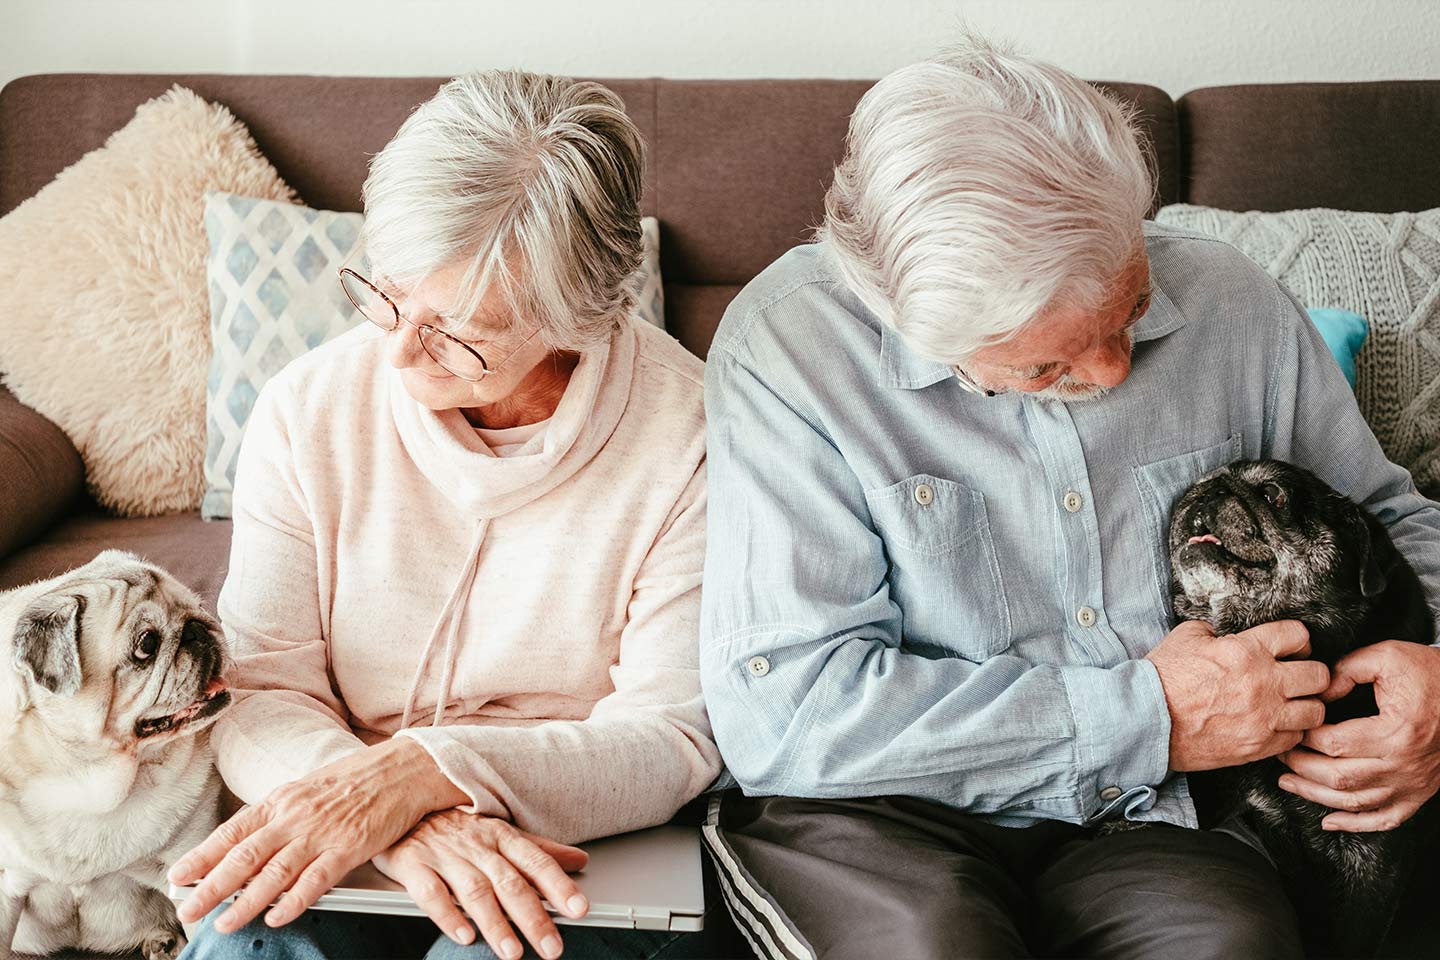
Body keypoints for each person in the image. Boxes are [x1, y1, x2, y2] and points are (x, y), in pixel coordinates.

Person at [697, 36, 1440, 959]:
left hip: (1155, 820)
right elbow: (791, 715)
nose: (1114, 369)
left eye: (1129, 310)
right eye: (1045, 366)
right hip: (880, 815)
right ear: (916, 323)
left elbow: (1393, 522)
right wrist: (1145, 716)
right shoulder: (790, 353)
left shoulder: (1231, 305)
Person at [176, 70, 726, 960]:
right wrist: (385, 813)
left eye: (457, 328)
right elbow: (261, 685)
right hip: (338, 785)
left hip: (571, 826)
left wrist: (425, 774)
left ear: (573, 318)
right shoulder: (308, 409)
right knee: (248, 943)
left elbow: (670, 735)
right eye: (388, 293)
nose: (394, 350)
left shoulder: (693, 440)